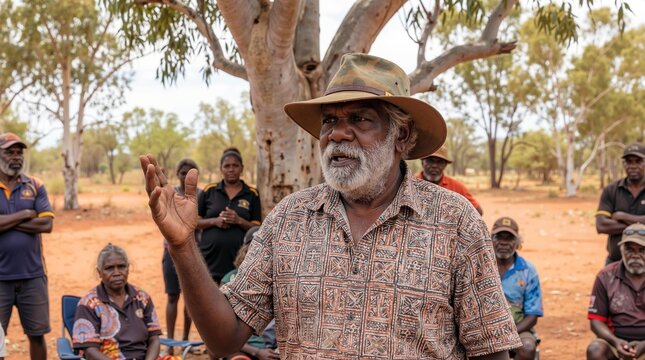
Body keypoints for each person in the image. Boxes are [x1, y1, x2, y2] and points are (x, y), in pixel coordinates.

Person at [140, 53, 521, 358]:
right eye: (329, 121)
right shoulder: (289, 219)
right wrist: (182, 246)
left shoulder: (454, 221)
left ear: (400, 135)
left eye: (359, 119)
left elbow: (489, 351)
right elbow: (225, 340)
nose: (337, 134)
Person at [0, 132, 54, 360]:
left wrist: (6, 221)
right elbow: (36, 219)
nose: (15, 157)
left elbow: (47, 223)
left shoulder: (35, 185)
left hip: (32, 276)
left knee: (37, 335)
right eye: (9, 152)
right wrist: (24, 214)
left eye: (19, 152)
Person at [72, 243, 161, 360]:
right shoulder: (89, 304)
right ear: (99, 272)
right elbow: (89, 351)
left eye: (121, 266)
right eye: (109, 268)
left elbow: (154, 339)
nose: (117, 273)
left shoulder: (142, 297)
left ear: (128, 268)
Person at [197, 148, 262, 284]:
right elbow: (194, 222)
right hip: (210, 259)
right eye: (227, 166)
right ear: (221, 169)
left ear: (242, 168)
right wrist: (215, 221)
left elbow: (257, 229)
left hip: (239, 264)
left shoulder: (252, 194)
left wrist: (239, 220)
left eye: (235, 165)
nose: (231, 169)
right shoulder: (210, 190)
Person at [586, 223, 645, 360]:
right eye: (630, 250)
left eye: (642, 250)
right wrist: (615, 342)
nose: (635, 255)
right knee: (596, 350)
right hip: (616, 343)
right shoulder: (606, 276)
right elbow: (596, 321)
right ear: (621, 250)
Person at [161, 159, 201, 355]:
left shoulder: (201, 195)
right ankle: (169, 342)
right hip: (171, 251)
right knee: (172, 296)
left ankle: (185, 339)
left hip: (194, 253)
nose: (186, 176)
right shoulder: (170, 194)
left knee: (189, 299)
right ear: (178, 174)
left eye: (190, 173)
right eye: (183, 172)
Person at [221, 226, 279, 360]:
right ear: (245, 251)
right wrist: (257, 352)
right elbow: (221, 333)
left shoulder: (281, 282)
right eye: (253, 249)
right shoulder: (230, 279)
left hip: (274, 348)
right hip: (243, 348)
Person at [491, 217, 543, 360]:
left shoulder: (527, 270)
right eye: (498, 237)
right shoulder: (481, 267)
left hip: (518, 329)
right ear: (490, 240)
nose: (503, 243)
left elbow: (532, 316)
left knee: (527, 347)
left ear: (517, 243)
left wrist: (509, 334)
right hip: (486, 329)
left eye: (509, 238)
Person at [595, 142, 645, 263]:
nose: (633, 166)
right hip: (615, 262)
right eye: (629, 161)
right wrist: (641, 226)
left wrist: (622, 216)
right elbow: (601, 225)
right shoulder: (611, 190)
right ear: (623, 164)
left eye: (638, 161)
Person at [417, 145, 483, 215]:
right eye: (430, 161)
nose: (434, 165)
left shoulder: (457, 187)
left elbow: (478, 211)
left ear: (445, 165)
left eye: (439, 162)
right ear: (422, 162)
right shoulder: (411, 184)